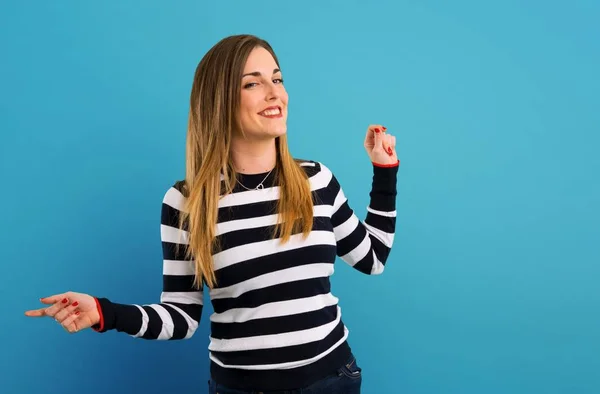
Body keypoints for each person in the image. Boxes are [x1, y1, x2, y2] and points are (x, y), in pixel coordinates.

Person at [25, 34, 400, 393]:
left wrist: (384, 171)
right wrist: (104, 313)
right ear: (219, 100)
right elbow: (182, 317)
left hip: (332, 380)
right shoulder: (186, 202)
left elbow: (372, 258)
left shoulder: (316, 179)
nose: (275, 93)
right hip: (241, 388)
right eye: (252, 84)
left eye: (278, 79)